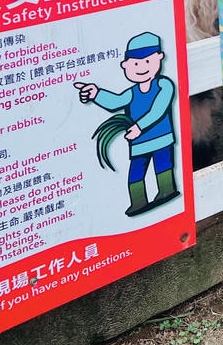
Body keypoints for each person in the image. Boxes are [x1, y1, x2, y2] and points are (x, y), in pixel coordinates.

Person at [76, 31, 181, 216]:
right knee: (136, 173)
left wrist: (139, 127)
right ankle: (138, 203)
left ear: (159, 58)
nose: (141, 67)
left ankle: (167, 191)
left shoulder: (164, 85)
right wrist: (96, 94)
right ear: (125, 66)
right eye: (135, 64)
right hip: (139, 142)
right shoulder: (133, 92)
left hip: (161, 137)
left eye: (147, 61)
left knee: (163, 165)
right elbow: (116, 102)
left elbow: (158, 110)